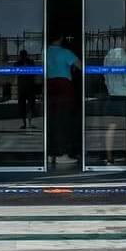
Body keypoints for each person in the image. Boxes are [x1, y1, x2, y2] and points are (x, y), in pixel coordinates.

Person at [44, 34, 81, 168]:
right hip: (64, 87)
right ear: (60, 38)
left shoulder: (45, 52)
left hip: (50, 86)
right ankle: (62, 153)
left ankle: (51, 153)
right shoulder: (65, 52)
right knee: (64, 120)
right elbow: (81, 66)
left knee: (52, 120)